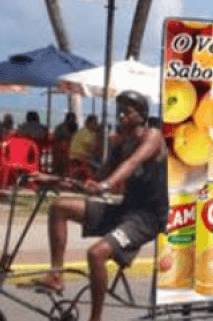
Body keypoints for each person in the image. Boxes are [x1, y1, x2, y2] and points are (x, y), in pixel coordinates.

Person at [25, 91, 167, 321]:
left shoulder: (153, 136)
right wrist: (50, 179)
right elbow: (98, 178)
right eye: (119, 109)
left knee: (96, 253)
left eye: (127, 111)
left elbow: (131, 164)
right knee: (58, 207)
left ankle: (95, 319)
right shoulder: (121, 142)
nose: (121, 115)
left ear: (141, 115)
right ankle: (56, 276)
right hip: (125, 209)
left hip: (147, 218)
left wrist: (106, 185)